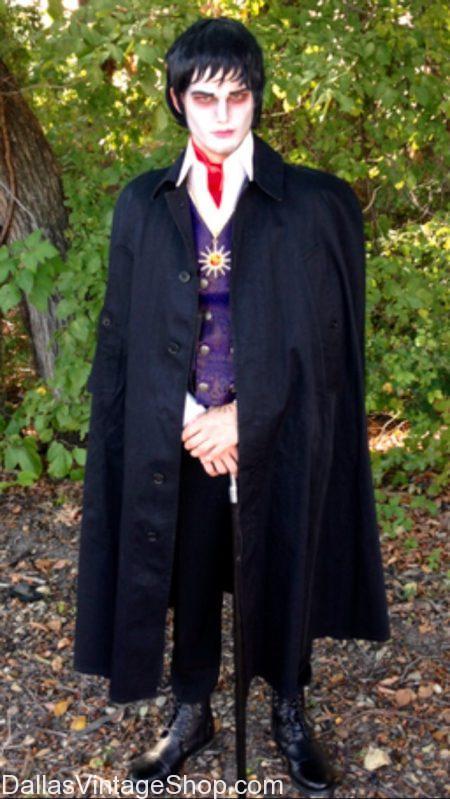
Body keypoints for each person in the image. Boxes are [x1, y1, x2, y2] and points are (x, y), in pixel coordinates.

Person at [73, 17, 390, 796]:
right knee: (187, 565)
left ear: (257, 99)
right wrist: (188, 417)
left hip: (279, 433)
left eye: (238, 96)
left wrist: (245, 417)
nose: (222, 114)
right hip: (177, 435)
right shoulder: (143, 204)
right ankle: (192, 710)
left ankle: (288, 707)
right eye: (204, 97)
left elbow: (327, 342)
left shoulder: (313, 204)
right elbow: (126, 334)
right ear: (177, 100)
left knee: (282, 556)